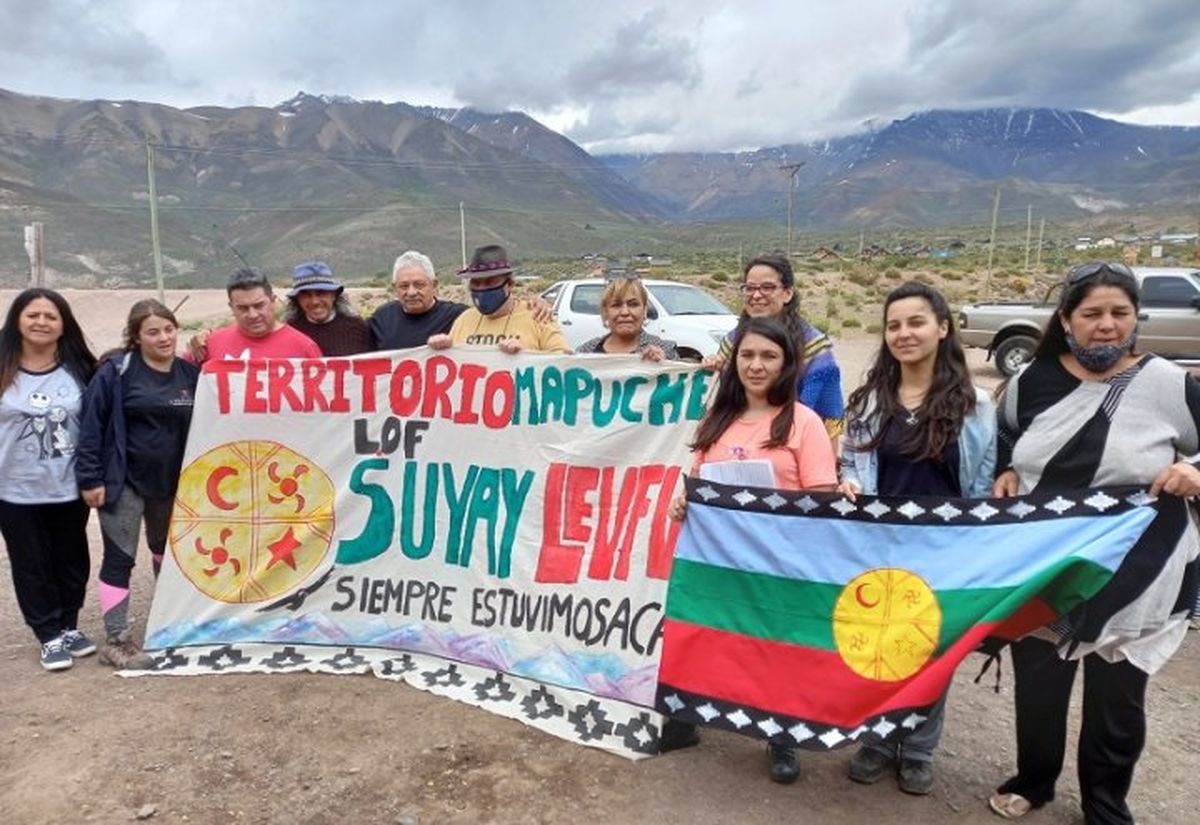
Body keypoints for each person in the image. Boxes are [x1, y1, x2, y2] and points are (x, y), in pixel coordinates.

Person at [987, 261, 1200, 824]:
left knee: (1118, 699)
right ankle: (1034, 782)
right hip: (1046, 563)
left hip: (1139, 569)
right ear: (1066, 319)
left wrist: (1196, 470)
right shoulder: (1031, 381)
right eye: (1092, 314)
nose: (1106, 325)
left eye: (1119, 313)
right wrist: (1006, 469)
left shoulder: (1169, 384)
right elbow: (1005, 437)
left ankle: (1106, 804)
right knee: (1039, 684)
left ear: (1134, 319)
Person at [836, 281, 997, 795]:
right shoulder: (867, 404)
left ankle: (920, 747)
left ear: (942, 327)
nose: (903, 334)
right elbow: (847, 460)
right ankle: (880, 739)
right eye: (893, 325)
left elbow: (982, 484)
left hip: (945, 551)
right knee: (880, 646)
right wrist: (848, 480)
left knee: (932, 650)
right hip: (880, 548)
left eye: (915, 322)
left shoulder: (976, 406)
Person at [666, 316, 837, 783]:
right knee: (705, 637)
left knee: (777, 650)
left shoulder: (803, 423)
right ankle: (685, 722)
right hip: (719, 562)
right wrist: (685, 502)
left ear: (787, 364)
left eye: (768, 356)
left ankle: (781, 738)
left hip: (780, 563)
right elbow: (696, 482)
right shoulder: (718, 418)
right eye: (747, 355)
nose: (756, 366)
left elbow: (822, 496)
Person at [76, 299, 199, 668]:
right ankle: (116, 640)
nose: (163, 337)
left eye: (168, 329)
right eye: (153, 331)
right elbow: (91, 426)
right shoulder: (117, 372)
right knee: (120, 558)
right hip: (123, 481)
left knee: (167, 554)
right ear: (136, 336)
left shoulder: (190, 375)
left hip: (171, 482)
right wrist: (90, 478)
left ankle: (168, 625)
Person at [0, 289, 97, 671]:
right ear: (17, 321)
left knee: (72, 558)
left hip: (68, 485)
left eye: (50, 316)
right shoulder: (2, 367)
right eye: (32, 314)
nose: (41, 322)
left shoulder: (81, 369)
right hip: (12, 488)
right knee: (30, 563)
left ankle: (69, 624)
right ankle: (48, 634)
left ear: (63, 325)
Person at [712, 253, 844, 442]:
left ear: (788, 293)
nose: (756, 295)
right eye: (749, 288)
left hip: (793, 446)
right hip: (739, 446)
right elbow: (723, 401)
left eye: (767, 287)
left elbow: (828, 417)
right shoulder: (731, 342)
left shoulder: (814, 347)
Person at [429, 245, 570, 354]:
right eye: (476, 283)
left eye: (490, 282)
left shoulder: (538, 316)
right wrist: (439, 349)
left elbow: (564, 362)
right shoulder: (464, 319)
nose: (482, 288)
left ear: (509, 285)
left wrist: (527, 357)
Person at [188, 268, 322, 362]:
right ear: (232, 308)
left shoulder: (305, 348)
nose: (252, 315)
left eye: (259, 305)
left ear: (273, 301)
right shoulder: (208, 345)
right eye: (242, 308)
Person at [369, 251, 470, 350]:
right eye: (404, 286)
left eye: (419, 285)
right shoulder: (382, 318)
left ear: (434, 285)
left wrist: (453, 344)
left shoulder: (459, 317)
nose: (411, 292)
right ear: (395, 288)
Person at [575, 276, 677, 361]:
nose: (625, 312)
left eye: (633, 305)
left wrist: (665, 367)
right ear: (605, 312)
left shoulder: (666, 351)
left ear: (645, 310)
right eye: (616, 305)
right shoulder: (585, 353)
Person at [283, 261, 373, 356]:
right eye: (306, 295)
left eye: (321, 293)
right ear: (297, 299)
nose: (315, 302)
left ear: (334, 295)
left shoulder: (357, 327)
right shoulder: (289, 332)